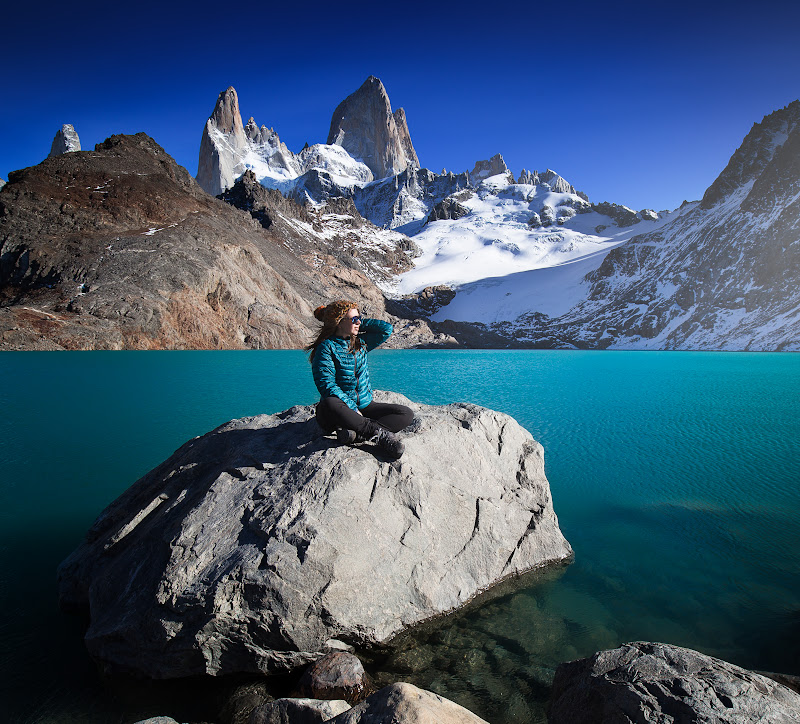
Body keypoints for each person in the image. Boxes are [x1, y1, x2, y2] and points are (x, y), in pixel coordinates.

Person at [307, 300, 413, 460]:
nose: (359, 322)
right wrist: (351, 407)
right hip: (338, 410)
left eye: (359, 318)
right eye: (354, 319)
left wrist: (355, 325)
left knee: (405, 413)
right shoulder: (326, 348)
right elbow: (326, 384)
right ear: (339, 322)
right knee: (329, 402)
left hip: (363, 405)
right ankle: (381, 436)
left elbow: (386, 329)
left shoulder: (359, 343)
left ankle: (356, 435)